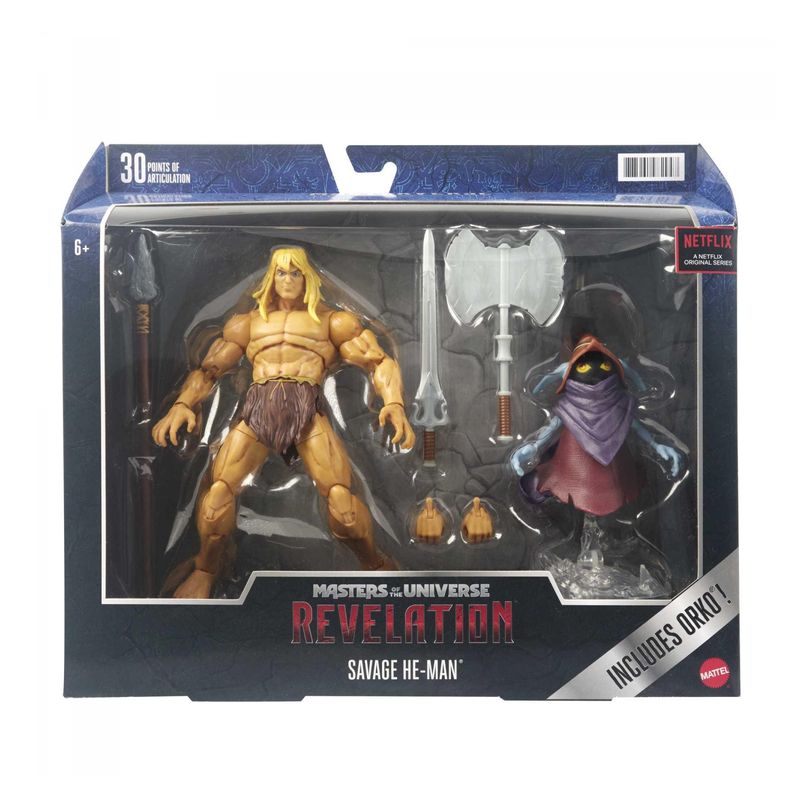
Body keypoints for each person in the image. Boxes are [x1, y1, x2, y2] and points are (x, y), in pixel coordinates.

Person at [153, 245, 415, 598]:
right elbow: (209, 369)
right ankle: (206, 570)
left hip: (307, 412)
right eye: (281, 272)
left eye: (295, 272)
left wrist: (394, 403)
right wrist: (183, 404)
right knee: (215, 499)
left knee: (344, 508)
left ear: (308, 278)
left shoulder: (332, 321)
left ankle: (377, 566)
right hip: (258, 411)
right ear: (270, 278)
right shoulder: (247, 323)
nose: (288, 279)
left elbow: (379, 361)